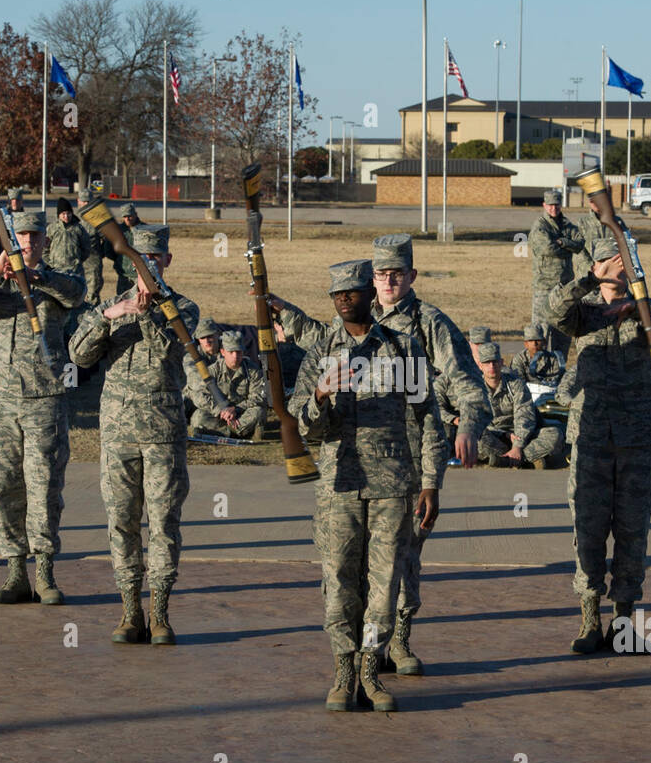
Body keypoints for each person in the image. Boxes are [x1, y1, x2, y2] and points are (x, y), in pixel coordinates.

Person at [272, 233, 490, 675]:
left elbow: (466, 385)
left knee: (398, 563)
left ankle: (396, 645)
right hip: (350, 470)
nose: (389, 281)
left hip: (408, 461)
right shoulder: (352, 320)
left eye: (397, 273)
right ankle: (355, 659)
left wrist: (467, 425)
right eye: (381, 274)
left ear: (411, 275)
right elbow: (325, 348)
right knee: (346, 568)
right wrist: (285, 315)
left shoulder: (428, 325)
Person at [288, 259, 446, 712]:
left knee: (383, 584)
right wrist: (319, 394)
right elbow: (303, 427)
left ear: (368, 296)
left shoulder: (401, 347)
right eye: (336, 295)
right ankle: (342, 671)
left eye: (352, 293)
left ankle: (371, 672)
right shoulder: (321, 351)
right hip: (338, 486)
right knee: (338, 580)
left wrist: (430, 481)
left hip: (392, 486)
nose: (343, 301)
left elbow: (427, 418)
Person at [548, 235, 651, 651]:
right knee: (588, 529)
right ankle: (590, 617)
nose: (619, 266)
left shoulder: (646, 310)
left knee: (632, 530)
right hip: (591, 436)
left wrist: (642, 297)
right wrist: (591, 279)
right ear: (597, 264)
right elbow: (554, 311)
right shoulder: (584, 312)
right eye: (612, 260)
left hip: (638, 438)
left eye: (624, 260)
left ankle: (624, 619)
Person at [69, 225, 198, 644]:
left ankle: (160, 612)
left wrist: (145, 316)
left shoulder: (183, 309)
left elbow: (166, 352)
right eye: (140, 261)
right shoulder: (110, 307)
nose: (147, 268)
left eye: (155, 259)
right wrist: (111, 317)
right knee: (122, 522)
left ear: (166, 262)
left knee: (162, 522)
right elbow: (79, 354)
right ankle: (130, 611)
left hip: (163, 433)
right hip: (118, 434)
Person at [0, 210, 85, 604]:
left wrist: (39, 279)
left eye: (34, 236)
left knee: (44, 485)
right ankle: (15, 572)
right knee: (4, 483)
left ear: (45, 240)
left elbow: (75, 294)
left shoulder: (58, 277)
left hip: (44, 397)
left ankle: (44, 572)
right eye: (21, 236)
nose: (28, 242)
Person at [475, 342, 565, 468]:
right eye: (487, 363)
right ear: (480, 365)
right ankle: (523, 460)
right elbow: (475, 420)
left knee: (555, 434)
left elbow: (524, 416)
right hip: (494, 436)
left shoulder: (516, 384)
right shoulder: (474, 388)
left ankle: (509, 460)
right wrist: (502, 434)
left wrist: (518, 445)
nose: (492, 366)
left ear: (501, 362)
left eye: (495, 362)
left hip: (521, 436)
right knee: (473, 436)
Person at [528, 189, 589, 357]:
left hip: (564, 287)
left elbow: (580, 243)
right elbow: (547, 248)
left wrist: (563, 242)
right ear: (544, 205)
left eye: (556, 205)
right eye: (550, 205)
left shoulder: (567, 225)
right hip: (544, 286)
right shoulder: (540, 226)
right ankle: (537, 366)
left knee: (562, 329)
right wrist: (568, 248)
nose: (553, 208)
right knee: (540, 332)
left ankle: (559, 366)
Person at [189, 330, 266, 440]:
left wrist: (235, 409)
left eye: (239, 352)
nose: (235, 356)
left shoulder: (253, 371)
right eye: (231, 352)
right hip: (219, 415)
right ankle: (238, 432)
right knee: (198, 417)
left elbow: (259, 396)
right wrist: (220, 410)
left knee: (258, 412)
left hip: (241, 413)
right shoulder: (212, 371)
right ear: (223, 352)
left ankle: (222, 432)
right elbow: (199, 395)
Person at [74, 192, 105, 307]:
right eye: (83, 201)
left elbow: (107, 239)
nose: (86, 204)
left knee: (92, 294)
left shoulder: (98, 220)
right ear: (78, 201)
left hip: (92, 262)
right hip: (75, 263)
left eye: (88, 201)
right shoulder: (72, 219)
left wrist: (100, 253)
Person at [110, 203, 143, 296]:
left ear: (135, 214)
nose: (127, 219)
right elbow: (109, 250)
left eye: (129, 216)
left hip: (140, 274)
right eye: (125, 216)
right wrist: (119, 260)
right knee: (122, 301)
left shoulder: (145, 230)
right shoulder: (118, 231)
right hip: (124, 274)